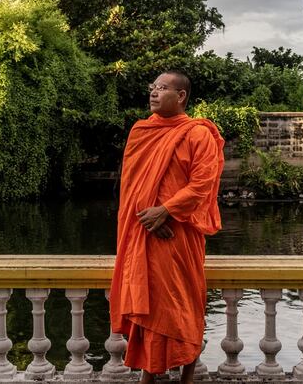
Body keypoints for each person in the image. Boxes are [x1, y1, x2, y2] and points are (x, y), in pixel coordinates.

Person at [109, 70, 225, 384]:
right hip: (146, 234)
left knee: (184, 305)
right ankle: (149, 375)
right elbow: (130, 188)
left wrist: (165, 211)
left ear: (182, 96)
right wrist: (150, 218)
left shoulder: (199, 134)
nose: (154, 93)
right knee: (151, 308)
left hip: (180, 236)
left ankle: (187, 375)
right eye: (153, 88)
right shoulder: (141, 131)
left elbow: (203, 185)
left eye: (162, 88)